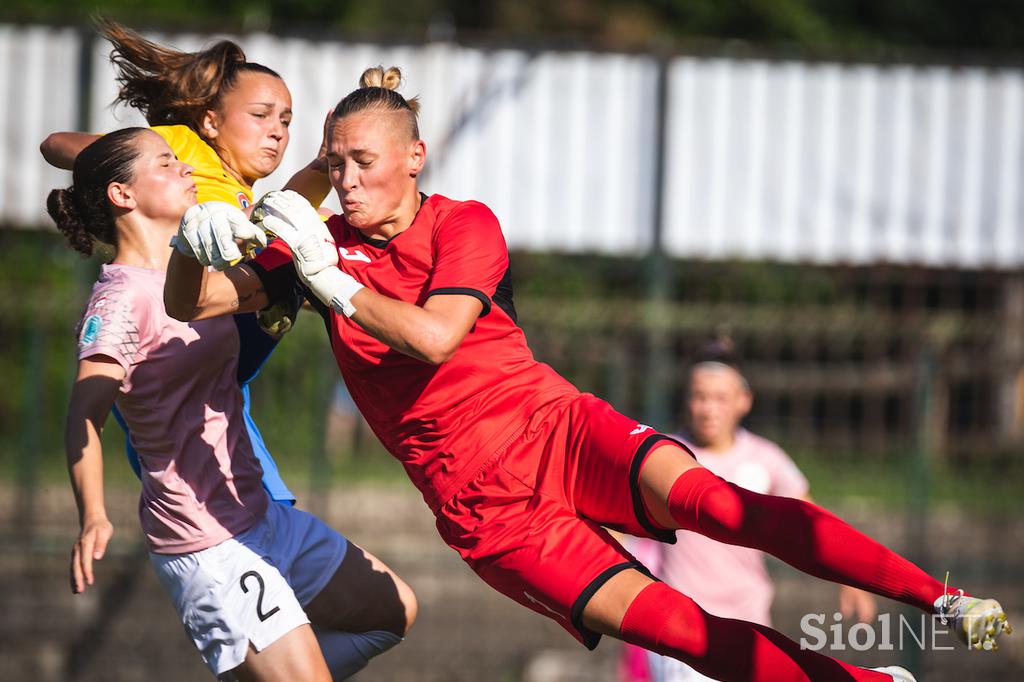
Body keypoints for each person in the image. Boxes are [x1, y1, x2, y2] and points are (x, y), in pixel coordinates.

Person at [166, 66, 1011, 681]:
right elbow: (193, 302)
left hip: (554, 428)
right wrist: (187, 239)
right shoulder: (318, 248)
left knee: (723, 503)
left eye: (364, 161)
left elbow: (434, 338)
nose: (346, 182)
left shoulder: (463, 225)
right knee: (682, 633)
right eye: (334, 163)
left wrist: (331, 280)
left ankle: (939, 599)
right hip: (490, 514)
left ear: (416, 156)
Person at [55, 129, 415, 681]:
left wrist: (333, 156)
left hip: (258, 513)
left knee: (391, 613)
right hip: (208, 544)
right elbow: (84, 413)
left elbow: (280, 220)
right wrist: (93, 516)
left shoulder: (199, 268)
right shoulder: (122, 300)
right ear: (122, 195)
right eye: (167, 162)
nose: (187, 169)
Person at [40, 18, 334, 503]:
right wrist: (127, 167)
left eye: (286, 121)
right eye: (261, 115)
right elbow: (56, 144)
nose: (277, 132)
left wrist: (324, 167)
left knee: (270, 519)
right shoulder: (182, 153)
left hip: (215, 382)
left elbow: (289, 214)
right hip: (170, 374)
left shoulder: (245, 202)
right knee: (230, 525)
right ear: (212, 122)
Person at [621, 343, 878, 682]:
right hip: (681, 628)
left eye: (720, 398)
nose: (708, 409)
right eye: (700, 397)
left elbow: (812, 520)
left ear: (743, 401)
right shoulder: (664, 455)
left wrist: (851, 579)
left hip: (749, 623)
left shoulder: (766, 458)